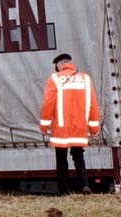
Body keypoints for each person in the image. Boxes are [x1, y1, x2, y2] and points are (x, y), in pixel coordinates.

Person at [39, 53, 100, 194]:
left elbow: (48, 104)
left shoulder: (54, 78)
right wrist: (93, 127)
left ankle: (64, 191)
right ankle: (85, 185)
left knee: (61, 158)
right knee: (79, 156)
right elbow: (92, 104)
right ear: (69, 63)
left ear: (59, 65)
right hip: (79, 127)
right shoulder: (85, 79)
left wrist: (44, 125)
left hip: (61, 127)